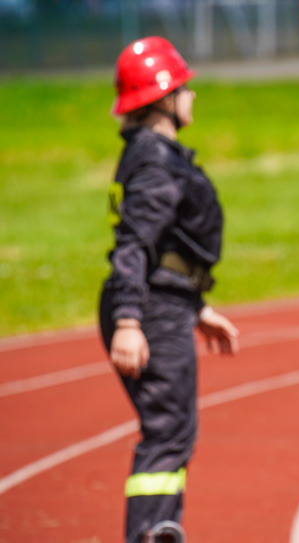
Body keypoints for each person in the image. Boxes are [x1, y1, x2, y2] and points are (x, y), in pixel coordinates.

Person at [99, 36, 239, 543]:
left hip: (166, 300)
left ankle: (161, 527)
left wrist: (195, 304)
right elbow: (134, 244)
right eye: (184, 87)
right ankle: (149, 533)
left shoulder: (148, 152)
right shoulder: (156, 162)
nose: (192, 95)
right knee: (168, 432)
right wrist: (130, 320)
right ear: (163, 98)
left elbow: (162, 244)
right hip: (152, 309)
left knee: (173, 430)